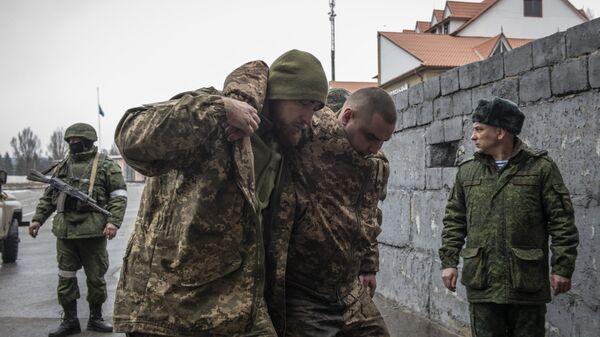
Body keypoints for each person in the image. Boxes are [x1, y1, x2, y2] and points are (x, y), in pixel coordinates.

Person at [112, 49, 328, 337]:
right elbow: (129, 135)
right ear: (278, 96)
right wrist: (216, 110)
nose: (308, 117)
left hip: (238, 304)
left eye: (314, 107)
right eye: (302, 103)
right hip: (169, 304)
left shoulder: (285, 144)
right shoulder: (214, 114)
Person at [439, 97, 579, 337]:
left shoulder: (541, 168)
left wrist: (562, 267)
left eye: (479, 129)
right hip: (482, 281)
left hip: (525, 283)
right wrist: (449, 262)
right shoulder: (468, 171)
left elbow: (562, 221)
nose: (473, 136)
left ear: (500, 132)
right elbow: (455, 220)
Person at [263, 87, 396, 337]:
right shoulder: (308, 135)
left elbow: (368, 213)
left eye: (383, 140)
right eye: (371, 137)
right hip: (304, 293)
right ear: (346, 117)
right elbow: (276, 94)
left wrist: (368, 265)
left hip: (348, 291)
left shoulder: (373, 164)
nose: (376, 148)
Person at [29, 122, 128, 337]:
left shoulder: (105, 165)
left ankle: (96, 318)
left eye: (75, 140)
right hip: (65, 232)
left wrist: (113, 222)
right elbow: (49, 197)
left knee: (96, 278)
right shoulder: (63, 165)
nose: (72, 144)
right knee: (65, 277)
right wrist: (38, 219)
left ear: (87, 141)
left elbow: (119, 196)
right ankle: (70, 320)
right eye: (69, 141)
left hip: (93, 232)